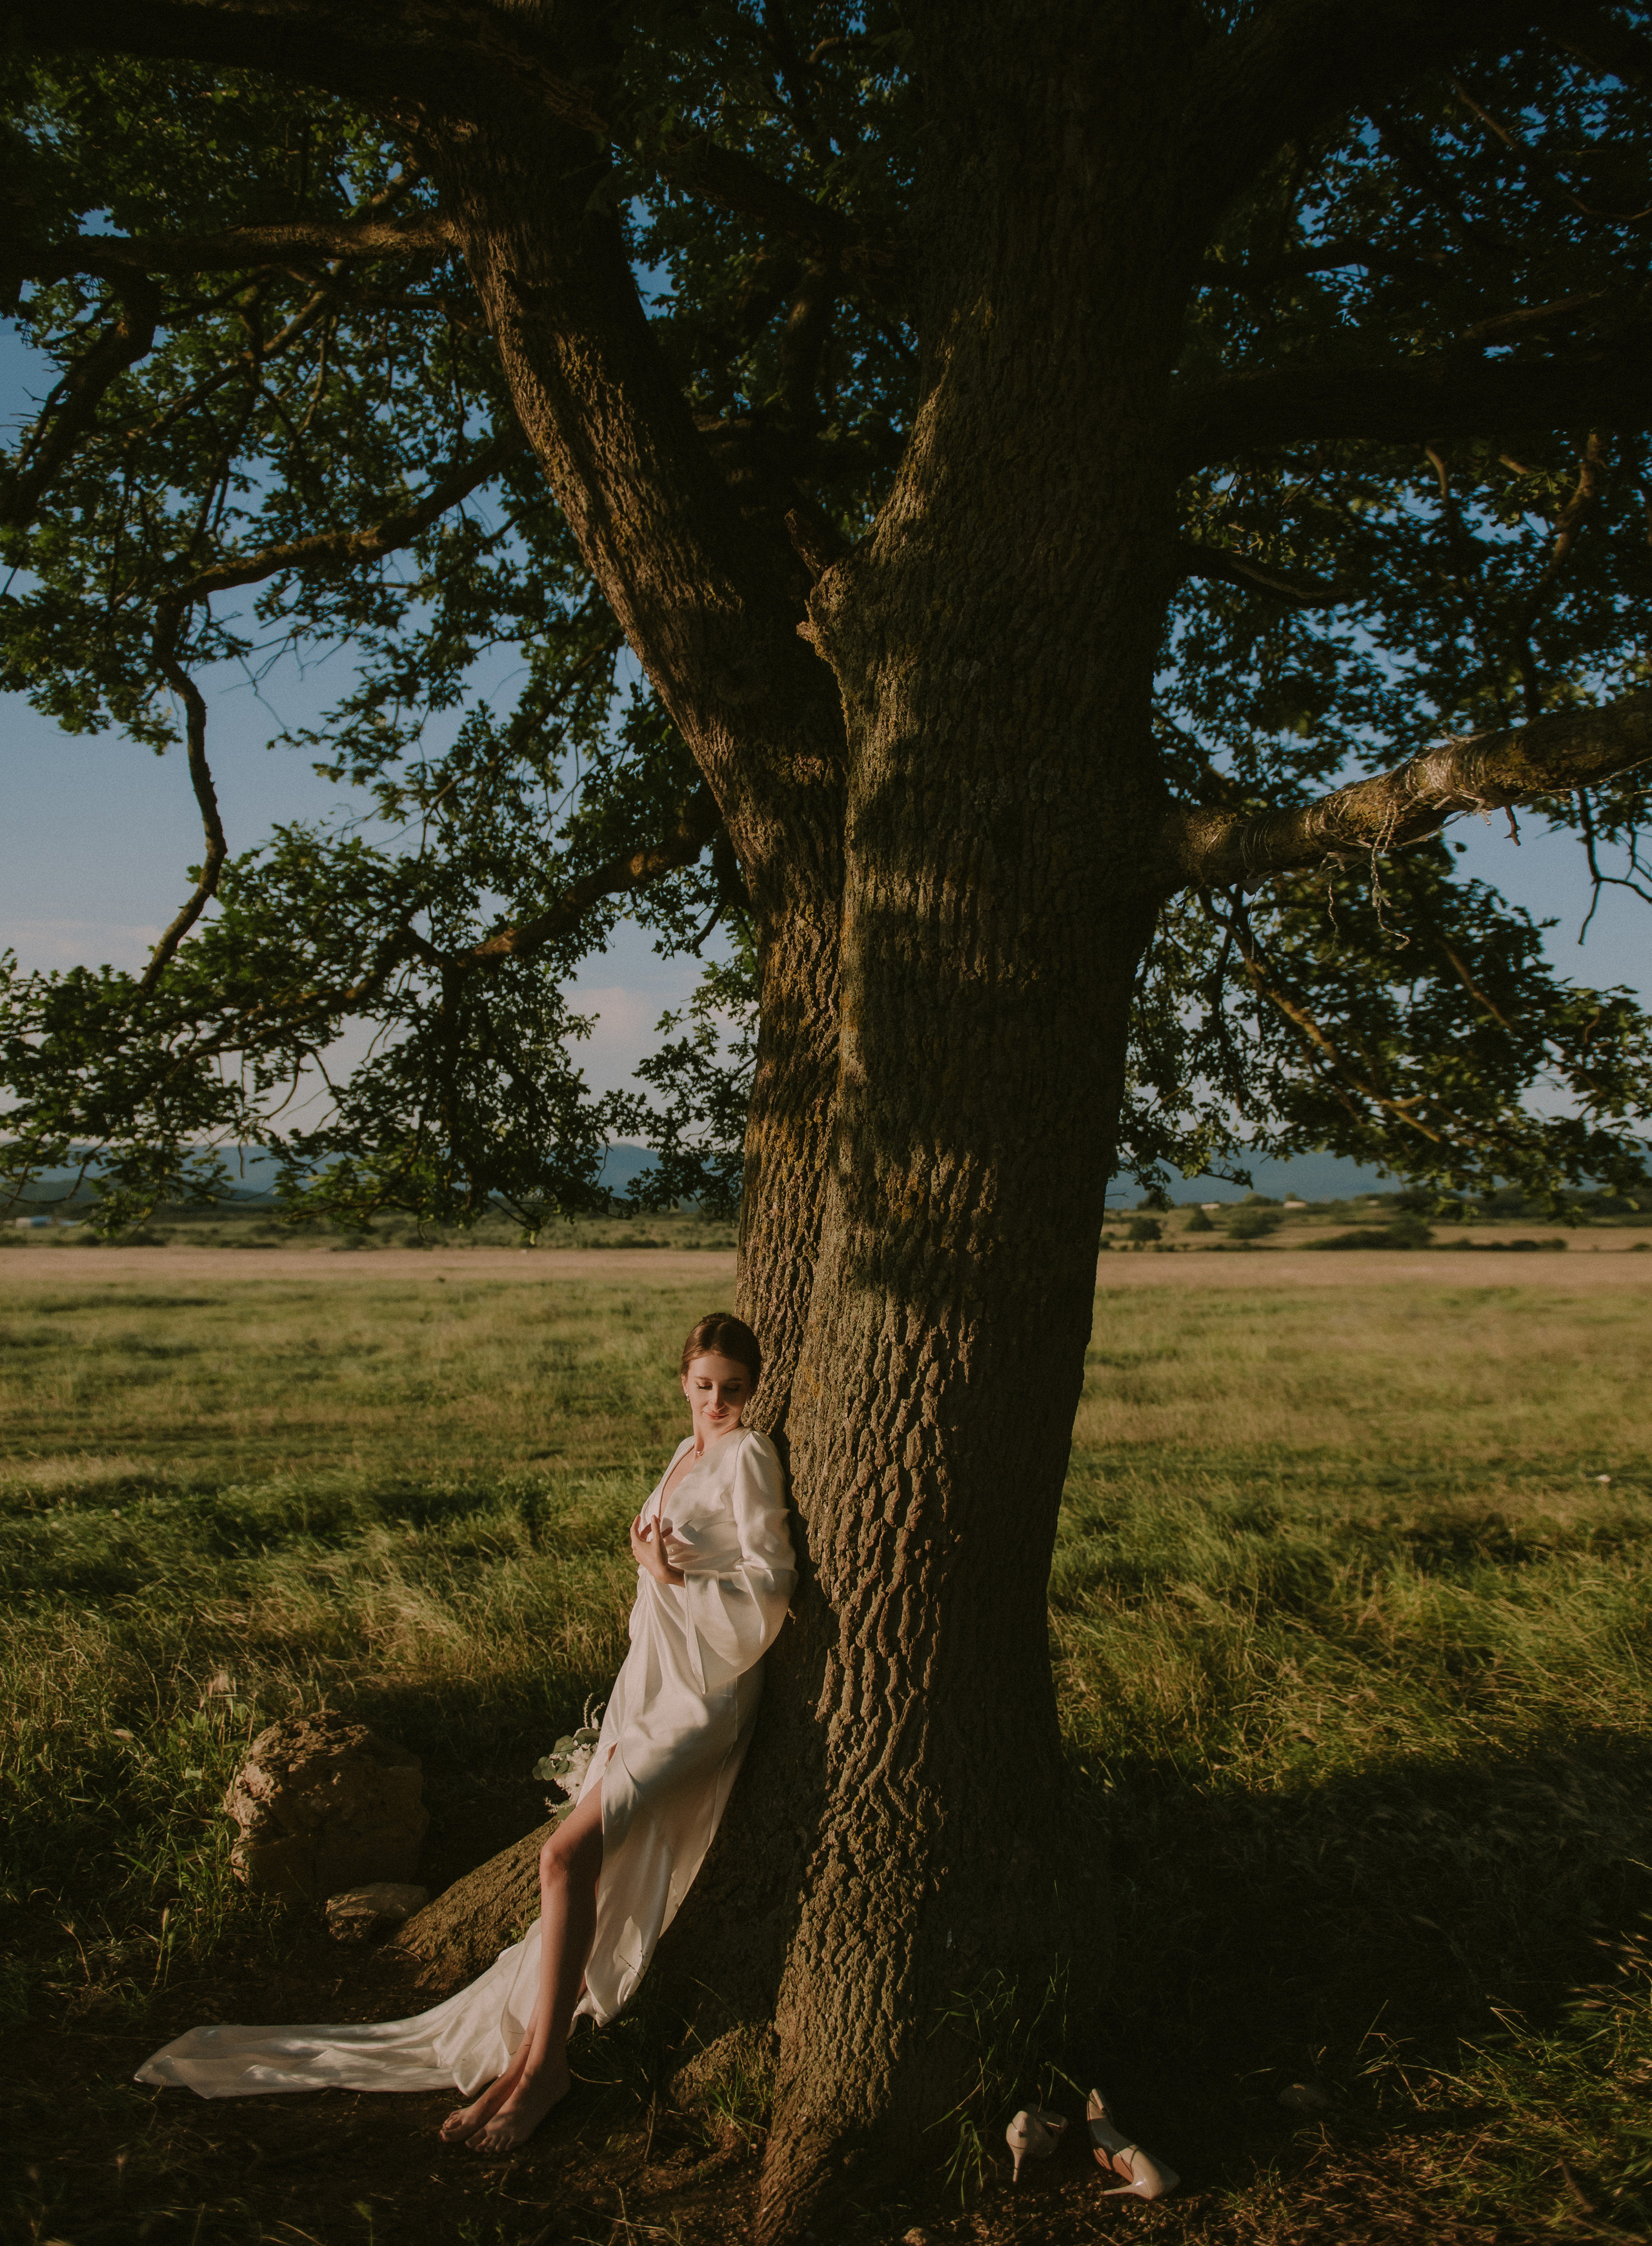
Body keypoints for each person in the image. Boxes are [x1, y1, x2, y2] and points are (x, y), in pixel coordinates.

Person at [136, 1312, 796, 2154]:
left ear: (752, 1390)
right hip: (651, 1684)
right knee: (581, 1864)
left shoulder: (748, 1456)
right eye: (703, 1387)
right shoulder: (686, 1450)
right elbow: (660, 1575)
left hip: (705, 1695)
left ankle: (545, 2068)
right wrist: (652, 1583)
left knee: (564, 1857)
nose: (716, 1404)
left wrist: (669, 1575)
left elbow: (770, 1584)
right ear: (682, 1382)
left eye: (733, 1390)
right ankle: (527, 2063)